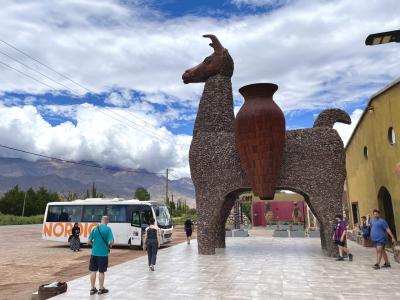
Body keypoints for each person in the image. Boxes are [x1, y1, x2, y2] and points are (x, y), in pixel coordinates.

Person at [88, 216, 114, 295]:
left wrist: (94, 245)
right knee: (101, 271)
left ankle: (92, 289)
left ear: (101, 220)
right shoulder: (108, 229)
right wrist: (109, 246)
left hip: (94, 253)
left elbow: (88, 241)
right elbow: (112, 241)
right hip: (103, 254)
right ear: (107, 221)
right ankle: (100, 288)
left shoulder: (95, 228)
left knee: (93, 271)